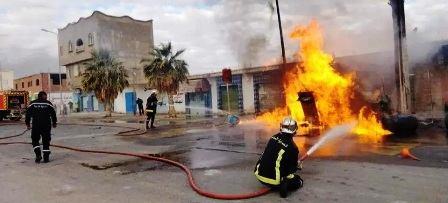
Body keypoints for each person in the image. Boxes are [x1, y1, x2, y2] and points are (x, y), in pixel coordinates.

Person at [254, 117, 303, 198]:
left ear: (281, 127)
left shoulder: (273, 137)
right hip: (274, 181)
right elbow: (291, 170)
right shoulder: (293, 147)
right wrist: (297, 166)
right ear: (295, 131)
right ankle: (284, 185)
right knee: (298, 180)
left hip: (259, 175)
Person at [25, 91, 57, 163]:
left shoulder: (32, 103)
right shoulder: (48, 103)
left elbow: (28, 114)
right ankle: (46, 158)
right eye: (46, 96)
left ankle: (38, 155)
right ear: (43, 96)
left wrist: (27, 124)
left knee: (35, 140)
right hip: (46, 126)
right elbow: (53, 114)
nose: (46, 97)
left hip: (36, 125)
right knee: (46, 141)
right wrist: (54, 123)